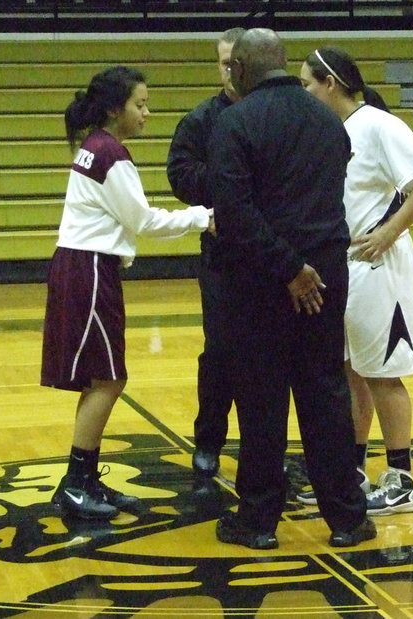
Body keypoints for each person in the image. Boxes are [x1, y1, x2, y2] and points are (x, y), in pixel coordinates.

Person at [207, 28, 376, 549]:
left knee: (261, 401)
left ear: (239, 69)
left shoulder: (234, 123)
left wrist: (287, 268)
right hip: (325, 279)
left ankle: (258, 522)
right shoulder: (330, 121)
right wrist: (306, 269)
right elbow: (324, 199)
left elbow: (235, 213)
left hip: (261, 283)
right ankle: (348, 519)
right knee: (325, 394)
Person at [42, 65, 213, 520]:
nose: (147, 113)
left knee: (101, 376)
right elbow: (143, 221)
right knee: (109, 378)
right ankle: (77, 483)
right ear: (115, 109)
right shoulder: (110, 153)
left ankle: (81, 480)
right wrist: (202, 216)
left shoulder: (93, 147)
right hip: (89, 270)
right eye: (140, 104)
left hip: (82, 266)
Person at [299, 47, 413, 516]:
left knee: (383, 374)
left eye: (306, 83)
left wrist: (389, 230)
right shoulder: (334, 131)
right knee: (354, 373)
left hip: (379, 267)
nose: (303, 92)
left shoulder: (379, 125)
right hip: (347, 267)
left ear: (330, 83)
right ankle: (352, 470)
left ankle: (402, 480)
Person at [166, 27, 245, 479]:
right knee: (219, 353)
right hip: (221, 253)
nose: (230, 71)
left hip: (273, 255)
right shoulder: (200, 119)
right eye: (223, 63)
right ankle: (208, 439)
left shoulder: (272, 113)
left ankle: (264, 445)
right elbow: (179, 173)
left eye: (236, 62)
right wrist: (229, 184)